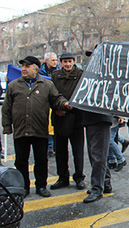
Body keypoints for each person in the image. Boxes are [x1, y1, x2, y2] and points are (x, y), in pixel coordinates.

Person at [2, 56, 71, 198]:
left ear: (36, 69)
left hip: (39, 129)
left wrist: (64, 104)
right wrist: (7, 126)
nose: (23, 69)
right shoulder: (14, 85)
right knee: (21, 161)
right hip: (21, 130)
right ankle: (24, 187)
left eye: (27, 66)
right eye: (22, 66)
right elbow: (6, 107)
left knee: (41, 160)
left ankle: (41, 186)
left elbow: (56, 98)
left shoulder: (46, 85)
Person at [50, 52, 86, 191]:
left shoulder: (81, 75)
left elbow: (82, 95)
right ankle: (63, 177)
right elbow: (51, 95)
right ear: (61, 63)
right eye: (65, 62)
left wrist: (69, 109)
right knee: (60, 150)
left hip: (76, 118)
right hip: (59, 117)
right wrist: (58, 108)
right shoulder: (55, 76)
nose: (68, 64)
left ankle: (79, 177)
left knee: (78, 151)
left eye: (70, 61)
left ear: (74, 61)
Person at [81, 49, 113, 203]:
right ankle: (105, 183)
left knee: (98, 156)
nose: (91, 59)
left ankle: (97, 188)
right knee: (97, 155)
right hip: (90, 118)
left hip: (100, 118)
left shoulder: (106, 74)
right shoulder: (89, 73)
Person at [38, 52, 59, 157]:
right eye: (53, 60)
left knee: (54, 125)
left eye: (56, 60)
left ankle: (54, 146)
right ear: (47, 61)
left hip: (55, 101)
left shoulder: (59, 72)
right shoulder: (40, 72)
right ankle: (48, 147)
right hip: (44, 101)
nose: (55, 62)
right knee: (46, 125)